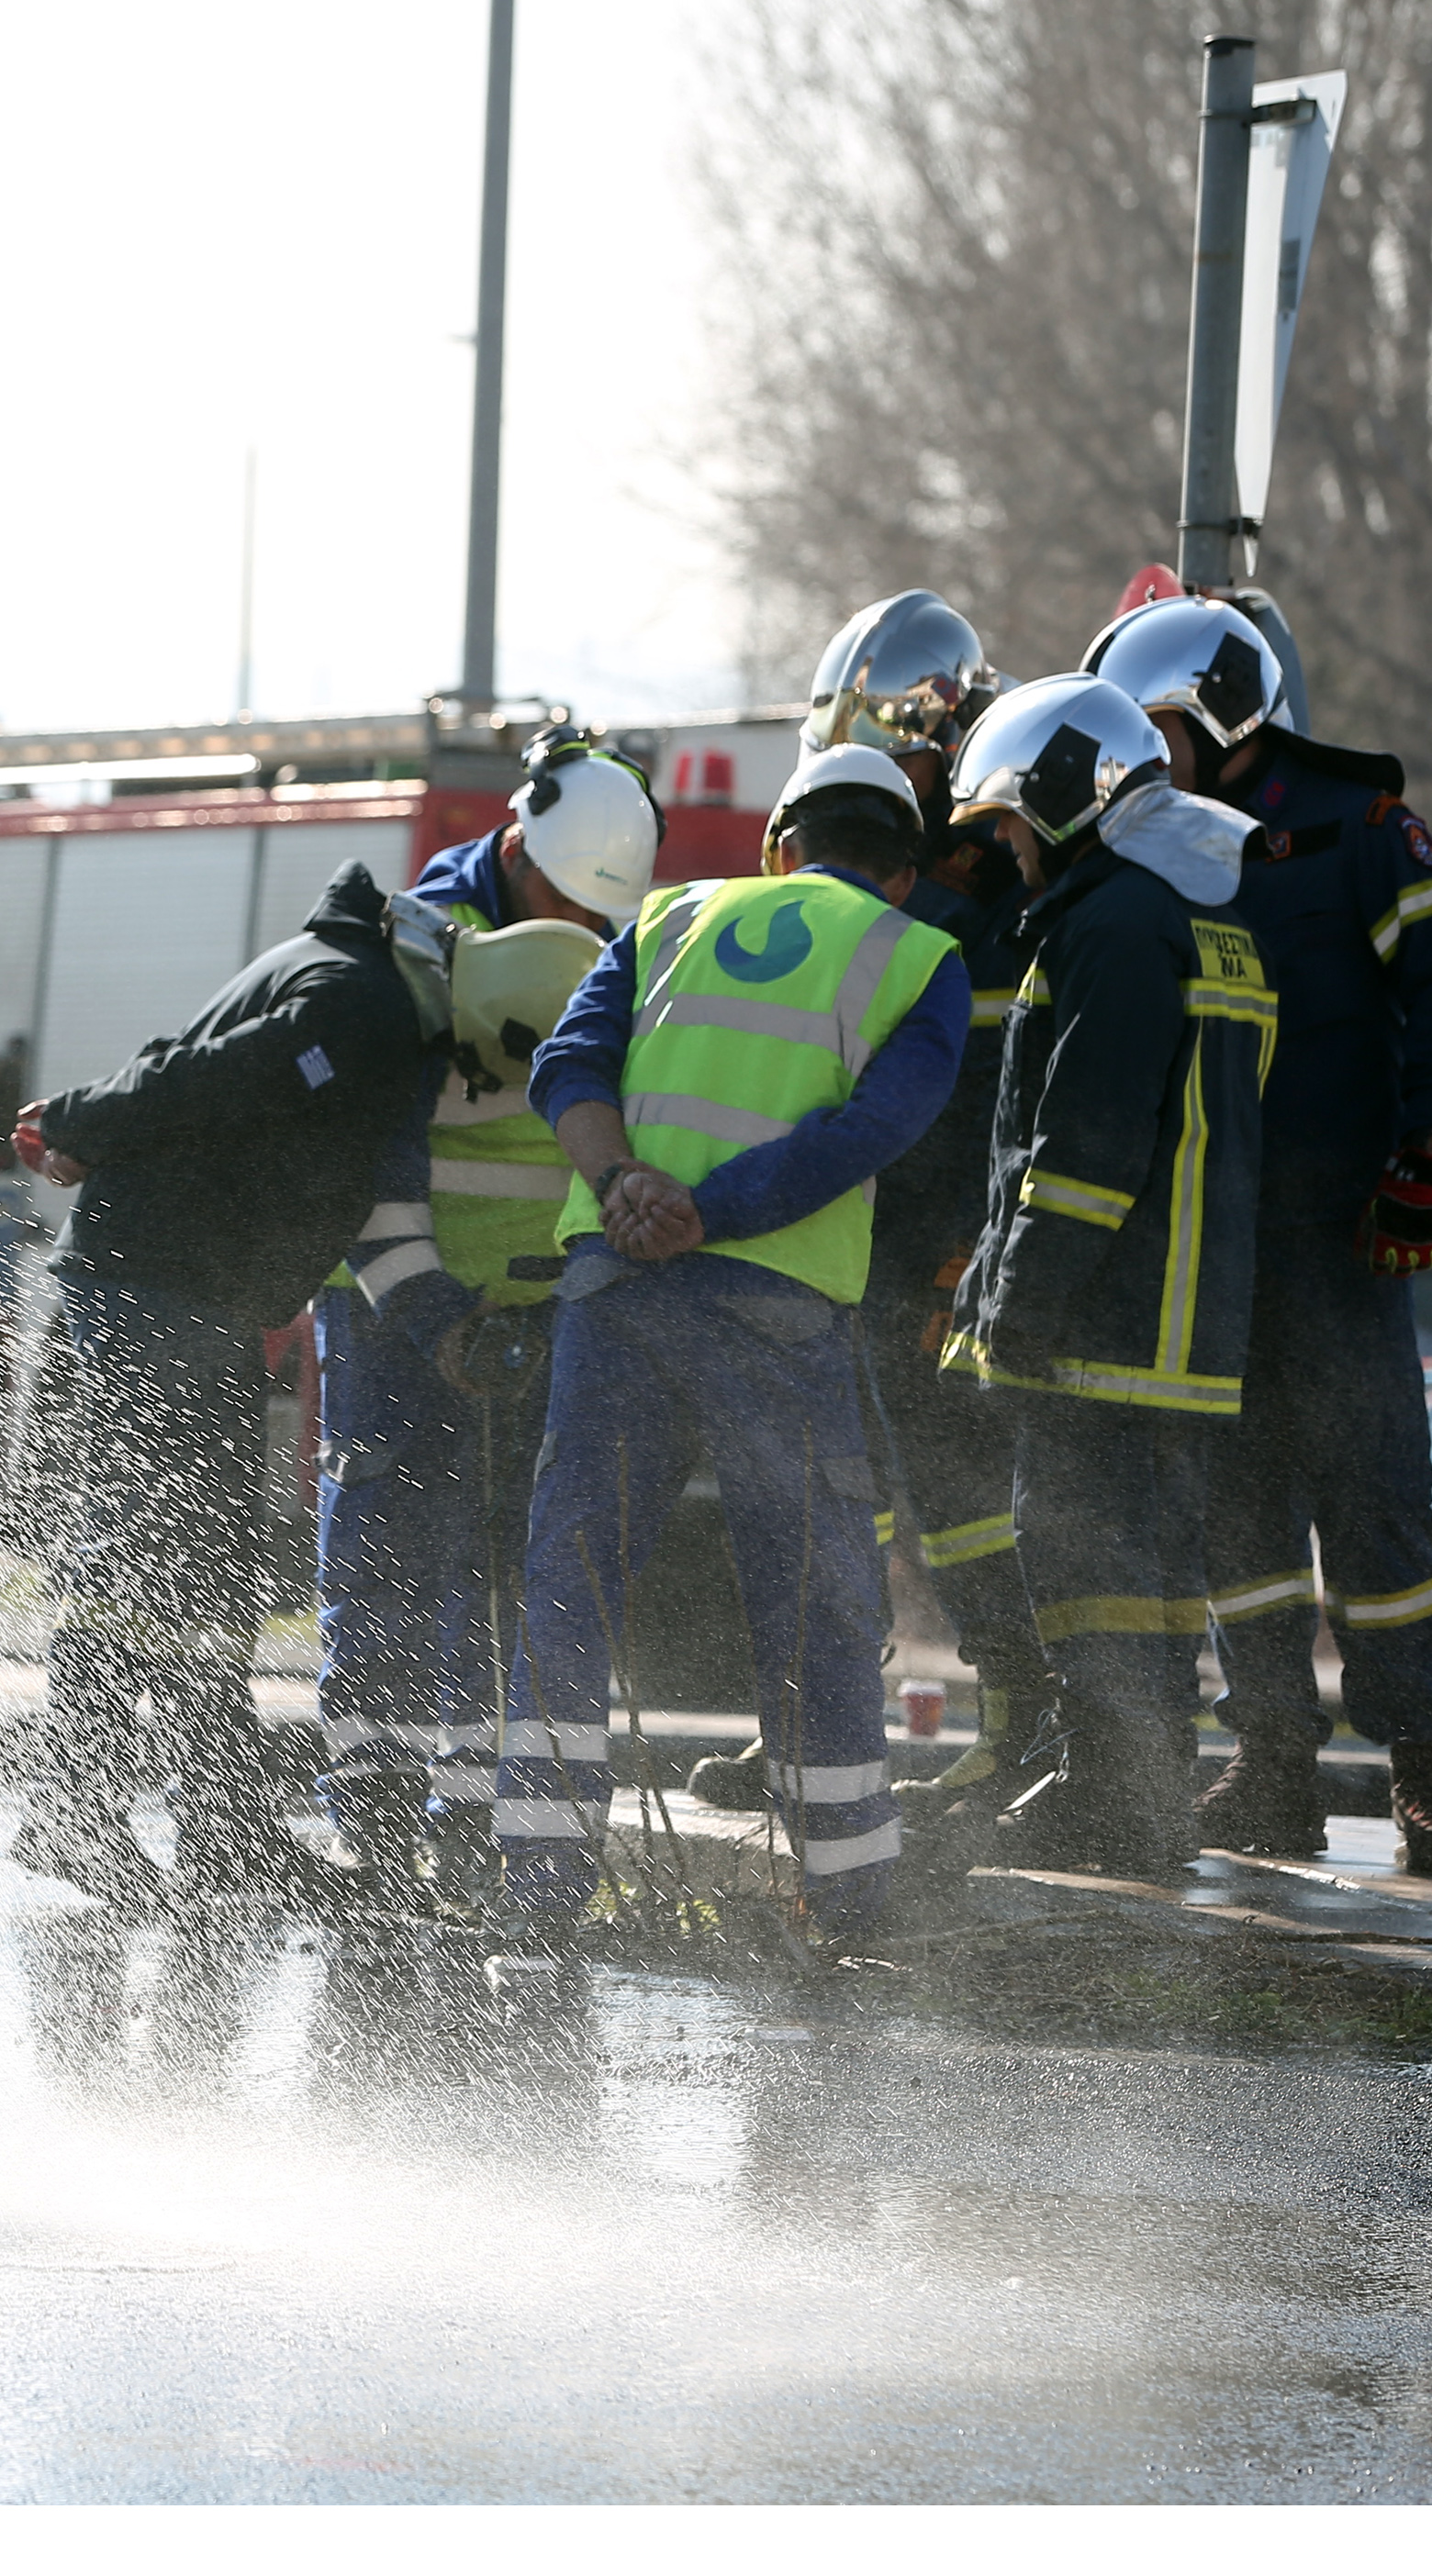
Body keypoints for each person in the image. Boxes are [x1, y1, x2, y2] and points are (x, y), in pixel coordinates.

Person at [498, 744, 969, 1942]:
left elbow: (567, 1063)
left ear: (779, 843)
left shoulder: (670, 914)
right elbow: (870, 1130)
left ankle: (539, 1884)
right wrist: (713, 1211)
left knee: (571, 1577)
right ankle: (851, 1897)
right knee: (811, 1594)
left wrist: (623, 1188)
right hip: (772, 1299)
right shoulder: (917, 957)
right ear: (903, 873)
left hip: (612, 1289)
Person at [1082, 594, 1432, 1875]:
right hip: (1206, 1245)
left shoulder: (1359, 831)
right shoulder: (1138, 843)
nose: (1132, 759)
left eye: (1149, 726)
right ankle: (1269, 1765)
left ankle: (1424, 1770)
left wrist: (1429, 1150)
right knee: (1233, 1521)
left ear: (1211, 707)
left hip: (1338, 1233)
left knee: (1373, 1512)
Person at [692, 593, 1066, 1823]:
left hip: (926, 1254)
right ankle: (814, 1736)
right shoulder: (887, 901)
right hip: (824, 1246)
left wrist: (971, 1246)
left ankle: (1020, 1729)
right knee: (820, 1505)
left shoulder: (998, 903)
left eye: (899, 755)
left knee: (964, 1506)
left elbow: (1007, 1101)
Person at [10, 855, 444, 1907]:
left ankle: (224, 1831)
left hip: (173, 1288)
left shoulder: (324, 967)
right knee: (142, 1563)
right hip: (161, 1290)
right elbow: (213, 1076)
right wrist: (83, 1119)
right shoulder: (363, 996)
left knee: (201, 1577)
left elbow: (196, 1067)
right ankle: (78, 1805)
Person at [939, 675, 1273, 1882]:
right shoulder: (1198, 907)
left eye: (1011, 824)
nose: (1008, 851)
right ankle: (1130, 1790)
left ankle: (1117, 1799)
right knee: (1145, 1567)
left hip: (1112, 1314)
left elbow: (1080, 1146)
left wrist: (1015, 1309)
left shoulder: (1116, 922)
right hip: (1186, 1308)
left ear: (1058, 798)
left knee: (1081, 1556)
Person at [331, 735, 660, 1863]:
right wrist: (431, 1309)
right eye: (558, 894)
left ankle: (469, 1814)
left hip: (543, 1297)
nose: (578, 924)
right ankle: (370, 1814)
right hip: (398, 1286)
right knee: (386, 1536)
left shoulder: (625, 945)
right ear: (514, 847)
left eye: (597, 910)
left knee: (504, 1561)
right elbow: (372, 1160)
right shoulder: (416, 951)